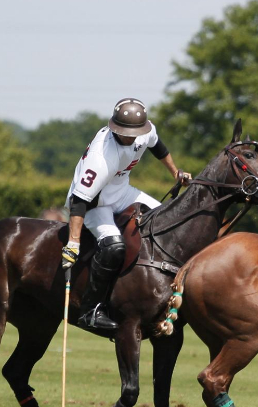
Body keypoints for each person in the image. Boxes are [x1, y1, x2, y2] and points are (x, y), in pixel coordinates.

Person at [60, 98, 191, 335]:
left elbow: (158, 146)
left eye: (135, 133)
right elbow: (79, 201)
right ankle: (90, 311)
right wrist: (73, 243)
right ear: (115, 128)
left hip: (122, 192)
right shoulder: (101, 159)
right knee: (113, 247)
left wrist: (176, 173)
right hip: (95, 204)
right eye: (126, 133)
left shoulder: (145, 131)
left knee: (170, 221)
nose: (131, 138)